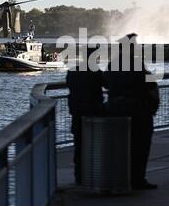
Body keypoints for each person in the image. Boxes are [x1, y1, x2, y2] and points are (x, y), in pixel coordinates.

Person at [104, 33, 159, 190]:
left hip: (115, 109)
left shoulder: (111, 64)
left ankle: (119, 177)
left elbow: (107, 83)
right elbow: (148, 83)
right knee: (140, 146)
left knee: (119, 147)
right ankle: (138, 179)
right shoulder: (137, 64)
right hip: (137, 110)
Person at [66, 46, 105, 185]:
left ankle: (79, 176)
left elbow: (69, 85)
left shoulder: (72, 71)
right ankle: (93, 175)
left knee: (79, 145)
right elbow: (107, 84)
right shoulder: (96, 72)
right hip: (93, 114)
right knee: (95, 145)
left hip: (77, 113)